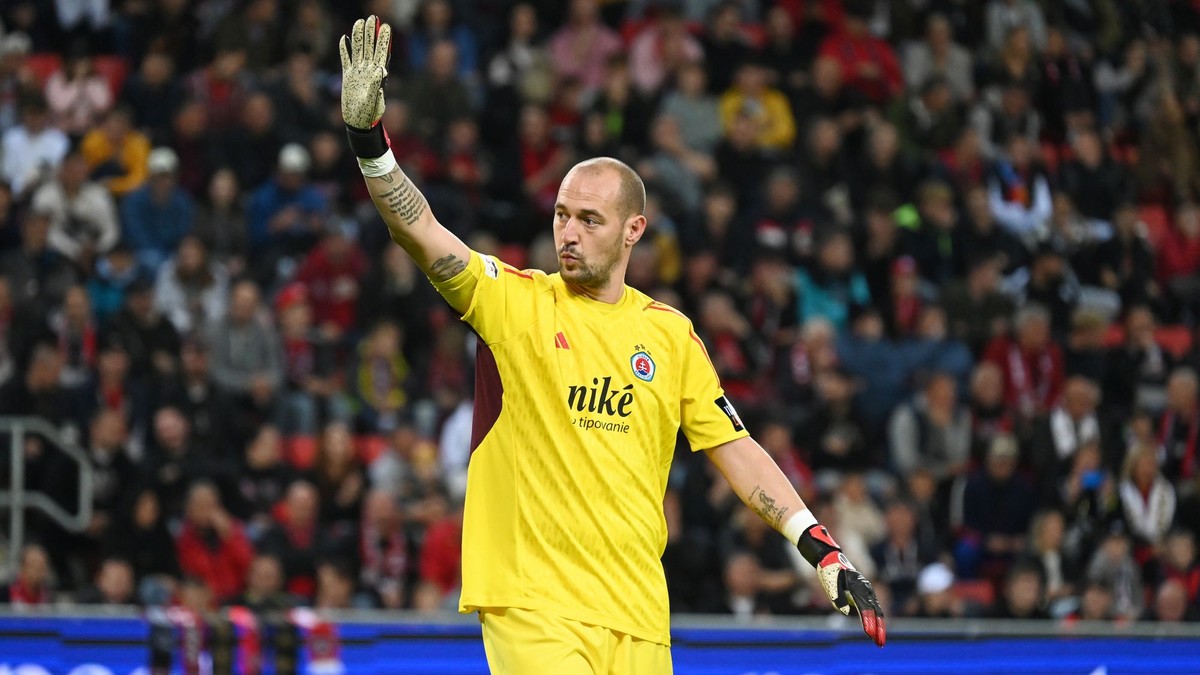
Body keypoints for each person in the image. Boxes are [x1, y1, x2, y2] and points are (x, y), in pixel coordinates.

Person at [339, 15, 885, 671]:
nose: (568, 233)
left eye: (589, 220)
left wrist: (819, 544)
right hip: (533, 605)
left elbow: (735, 448)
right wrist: (370, 144)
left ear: (634, 230)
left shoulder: (669, 335)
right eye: (561, 215)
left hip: (638, 616)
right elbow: (422, 231)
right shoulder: (513, 302)